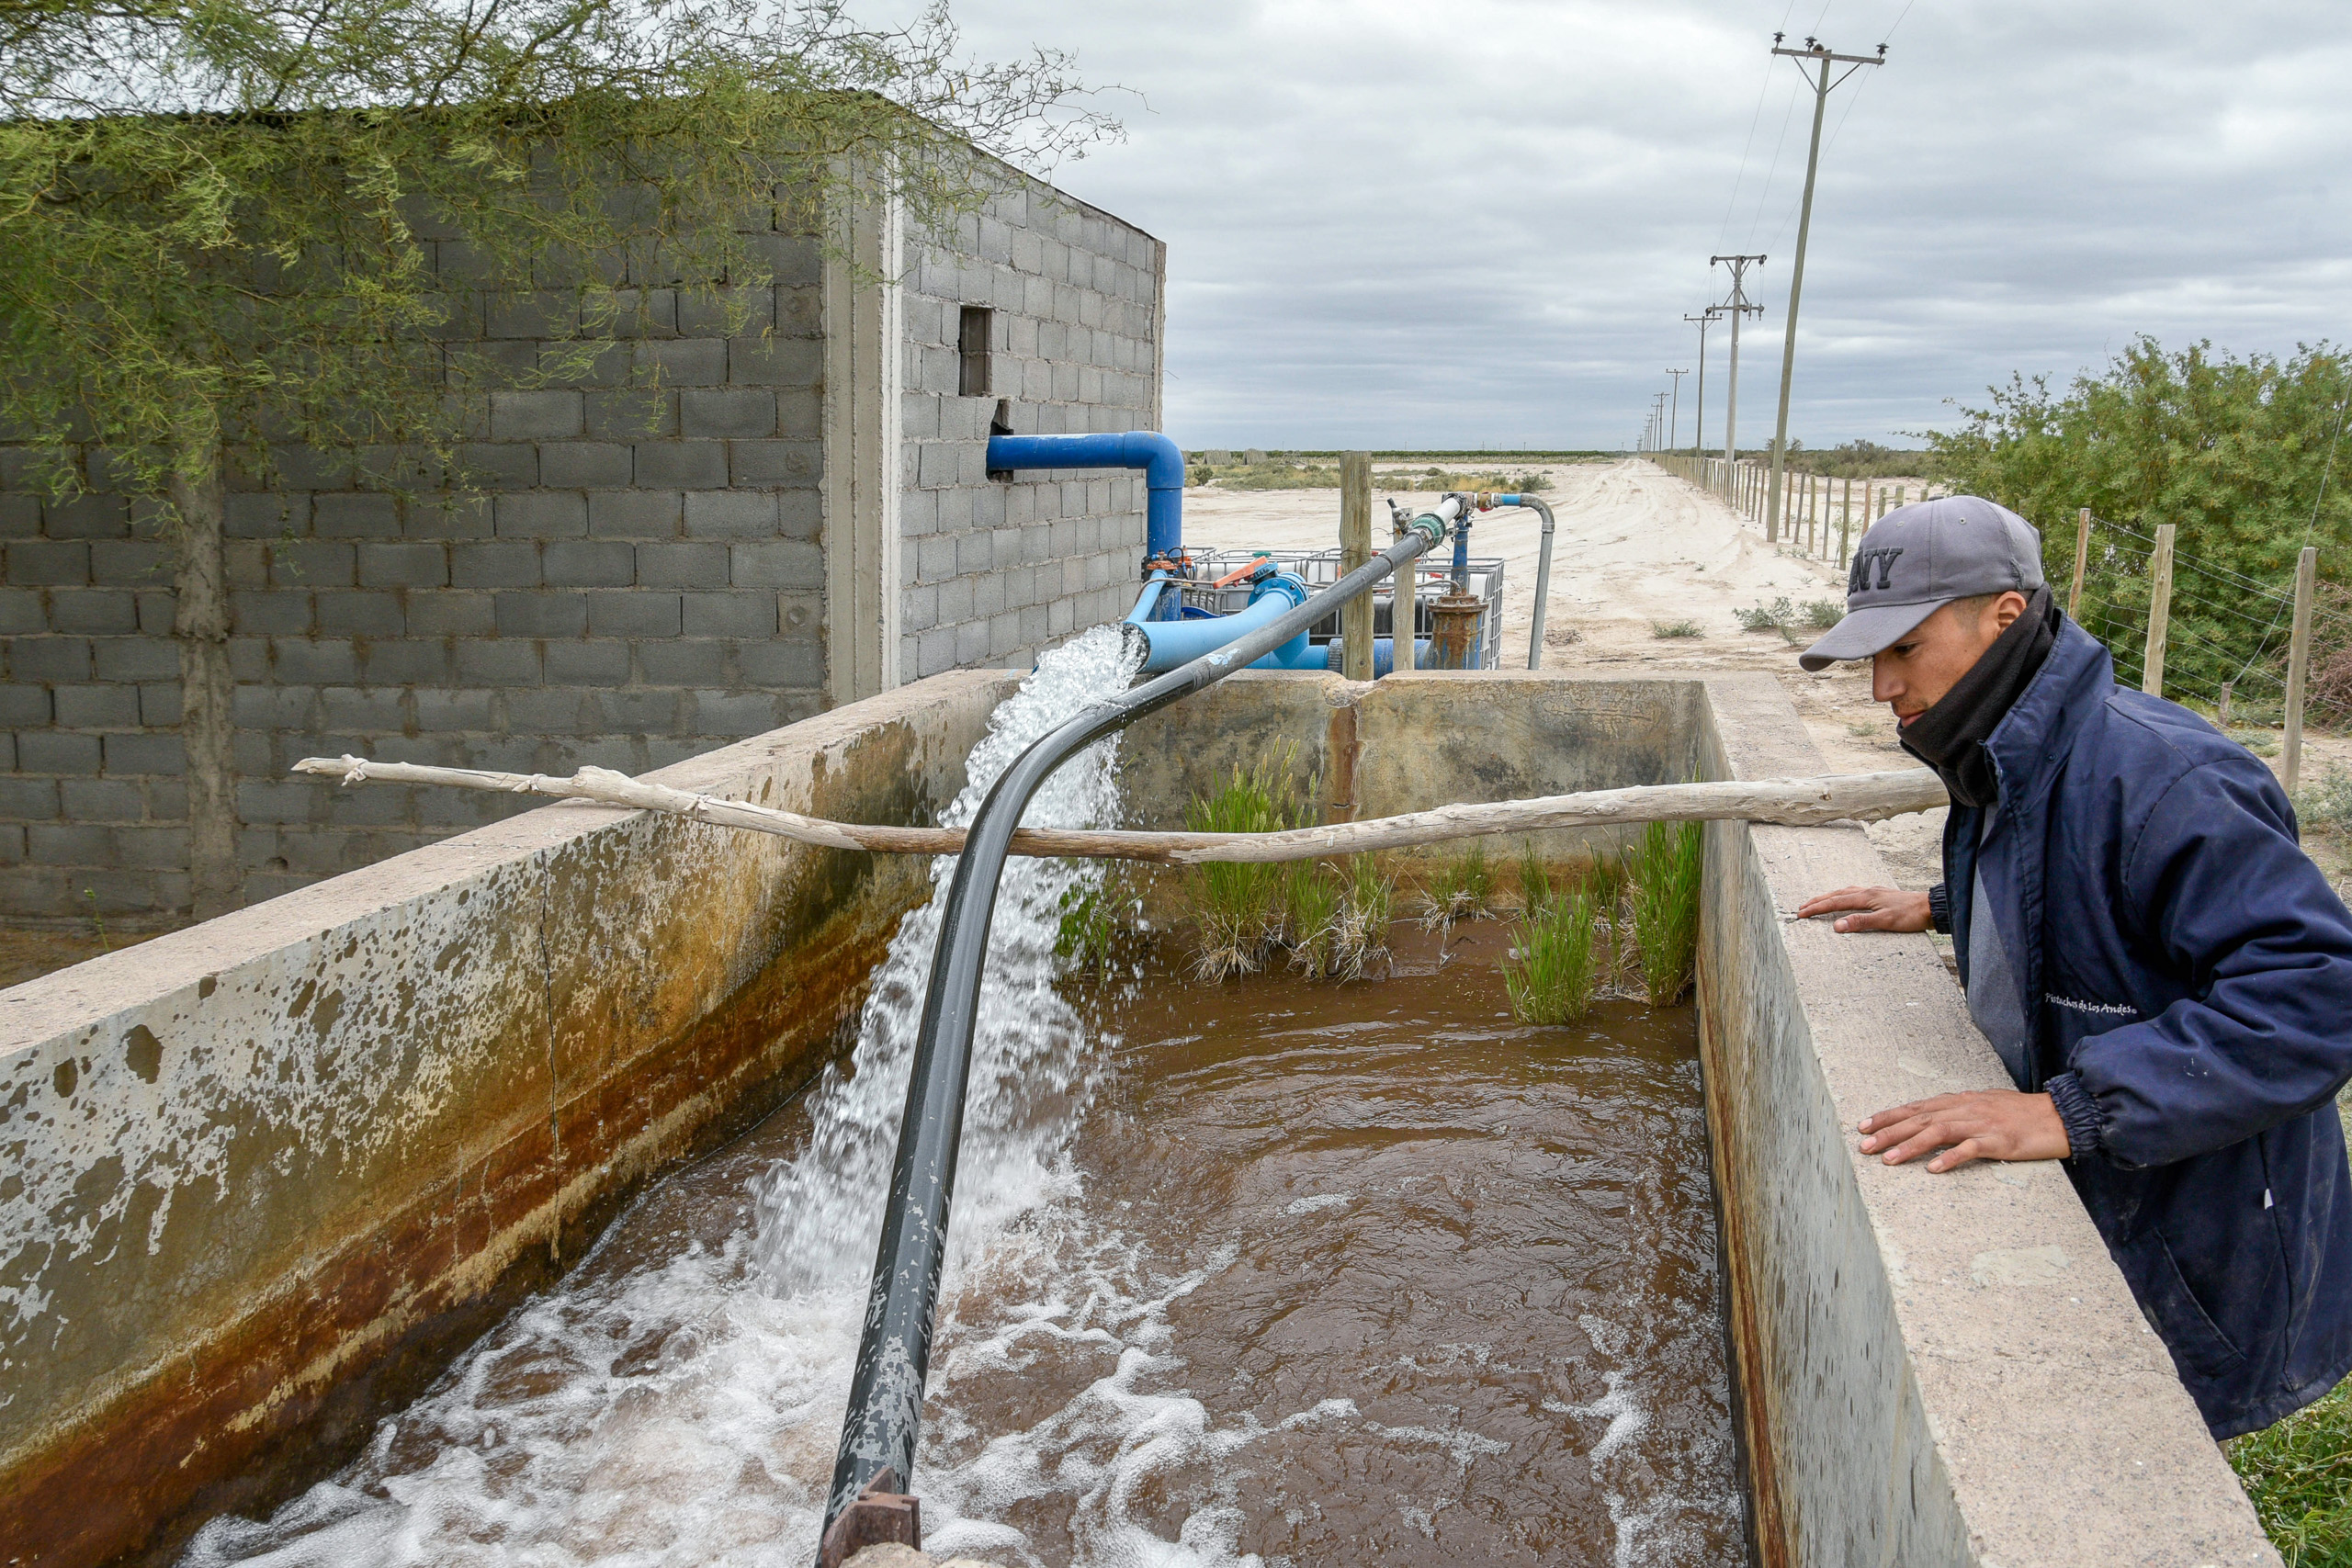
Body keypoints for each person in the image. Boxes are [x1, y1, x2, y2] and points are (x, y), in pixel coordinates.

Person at [1792, 495, 2352, 1440]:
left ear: (2002, 616)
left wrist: (2071, 1108)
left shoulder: (2165, 778)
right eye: (1869, 658)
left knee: (2145, 1463)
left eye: (1904, 649)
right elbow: (2088, 892)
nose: (1881, 687)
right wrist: (1943, 904)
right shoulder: (2005, 741)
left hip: (2198, 1235)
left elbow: (2314, 996)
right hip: (2130, 1198)